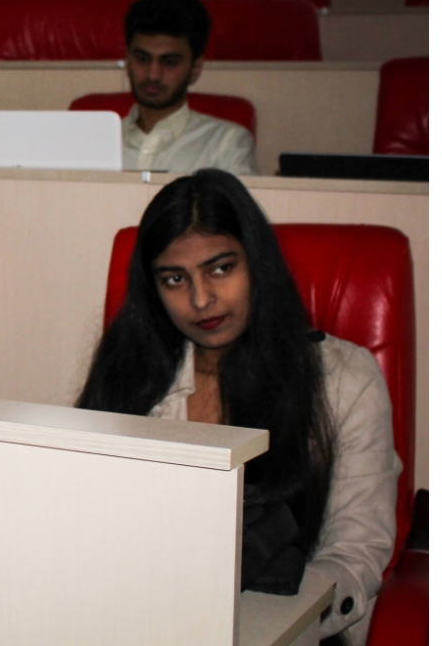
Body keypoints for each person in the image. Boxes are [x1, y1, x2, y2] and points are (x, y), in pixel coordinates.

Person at [77, 169, 398, 644]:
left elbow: (354, 555)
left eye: (221, 268)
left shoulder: (344, 380)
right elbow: (86, 526)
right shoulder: (129, 375)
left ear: (257, 265)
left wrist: (259, 626)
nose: (201, 299)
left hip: (285, 628)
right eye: (174, 279)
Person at [121, 0, 258, 175]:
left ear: (195, 68)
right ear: (127, 60)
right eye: (142, 59)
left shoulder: (226, 144)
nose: (153, 75)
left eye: (169, 62)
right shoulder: (93, 140)